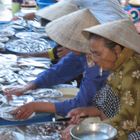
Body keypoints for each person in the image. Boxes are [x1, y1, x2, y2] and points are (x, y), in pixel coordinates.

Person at [60, 19, 140, 140]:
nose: (94, 59)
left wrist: (83, 130)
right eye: (92, 53)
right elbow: (107, 103)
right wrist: (84, 111)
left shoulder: (133, 72)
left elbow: (126, 123)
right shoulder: (119, 65)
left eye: (97, 53)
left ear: (117, 50)